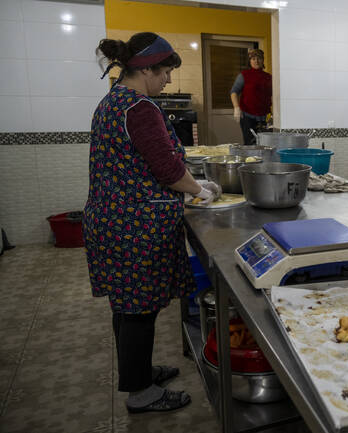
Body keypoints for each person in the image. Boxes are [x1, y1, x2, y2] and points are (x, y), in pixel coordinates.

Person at [85, 32, 221, 413]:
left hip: (113, 220)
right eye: (165, 72)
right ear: (146, 69)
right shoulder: (140, 108)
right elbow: (166, 170)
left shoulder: (113, 101)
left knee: (127, 308)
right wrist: (199, 190)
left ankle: (139, 373)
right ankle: (141, 394)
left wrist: (191, 182)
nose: (168, 81)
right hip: (133, 227)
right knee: (139, 312)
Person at [230, 48, 272, 145]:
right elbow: (234, 92)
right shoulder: (244, 75)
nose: (256, 61)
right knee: (250, 144)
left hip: (265, 117)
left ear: (263, 60)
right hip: (248, 116)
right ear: (250, 61)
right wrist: (236, 107)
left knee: (266, 144)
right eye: (253, 59)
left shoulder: (269, 77)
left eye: (259, 58)